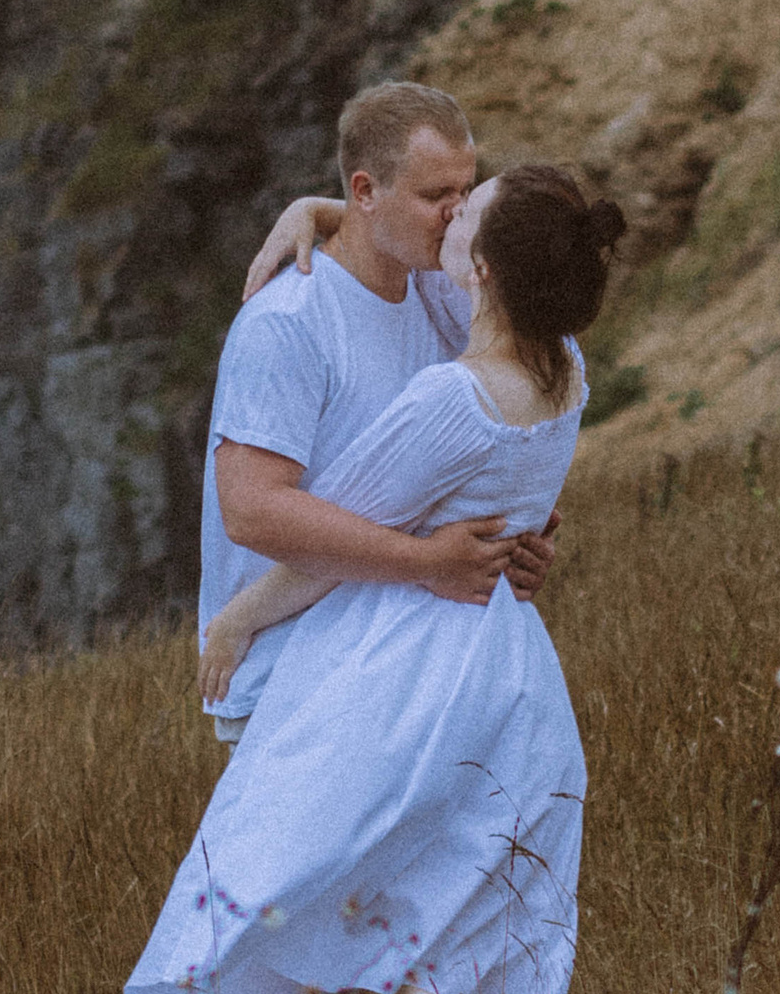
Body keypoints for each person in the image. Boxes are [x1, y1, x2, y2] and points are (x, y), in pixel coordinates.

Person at [125, 164, 624, 994]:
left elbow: (325, 533)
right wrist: (317, 208)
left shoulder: (454, 396)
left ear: (478, 267)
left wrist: (235, 622)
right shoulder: (566, 369)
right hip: (515, 671)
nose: (447, 209)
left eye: (465, 210)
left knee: (411, 951)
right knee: (510, 957)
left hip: (415, 670)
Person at [195, 82, 557, 757]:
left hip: (398, 664)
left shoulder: (437, 290)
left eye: (465, 191)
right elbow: (251, 512)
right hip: (289, 684)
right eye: (434, 197)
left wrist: (515, 543)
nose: (457, 215)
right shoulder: (288, 321)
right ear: (365, 192)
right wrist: (425, 562)